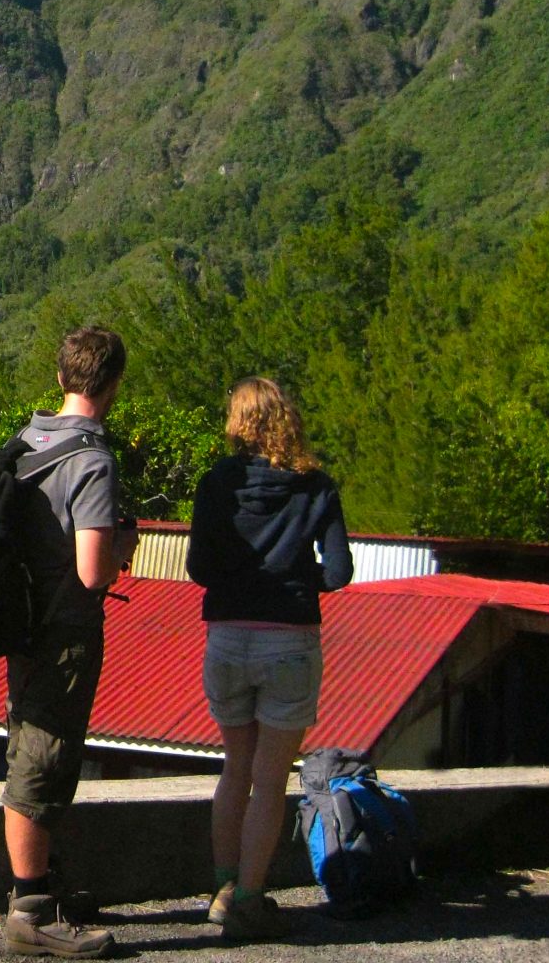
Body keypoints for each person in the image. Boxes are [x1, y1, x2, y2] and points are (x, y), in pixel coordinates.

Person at [186, 377, 353, 941]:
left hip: (227, 638)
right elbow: (338, 573)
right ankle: (250, 902)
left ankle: (223, 886)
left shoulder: (216, 485)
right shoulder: (316, 486)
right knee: (270, 779)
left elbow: (200, 569)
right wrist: (293, 575)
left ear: (238, 422)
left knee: (235, 769)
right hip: (289, 641)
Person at [2, 326, 141, 958]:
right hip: (64, 632)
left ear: (61, 379)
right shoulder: (92, 460)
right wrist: (121, 547)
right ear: (112, 386)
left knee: (32, 746)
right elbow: (92, 571)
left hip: (24, 623)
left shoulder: (28, 441)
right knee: (43, 757)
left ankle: (42, 889)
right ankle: (29, 907)